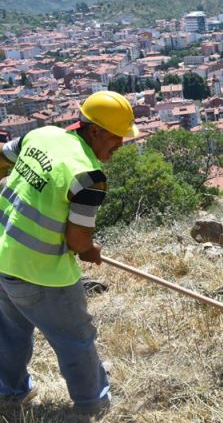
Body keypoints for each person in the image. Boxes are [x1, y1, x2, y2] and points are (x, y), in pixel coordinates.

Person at [0, 90, 138, 413]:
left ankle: (9, 392)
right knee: (75, 338)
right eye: (117, 137)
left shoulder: (41, 135)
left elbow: (3, 159)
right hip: (43, 273)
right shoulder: (88, 176)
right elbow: (77, 241)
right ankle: (94, 404)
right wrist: (89, 249)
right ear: (95, 131)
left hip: (4, 255)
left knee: (10, 331)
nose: (121, 144)